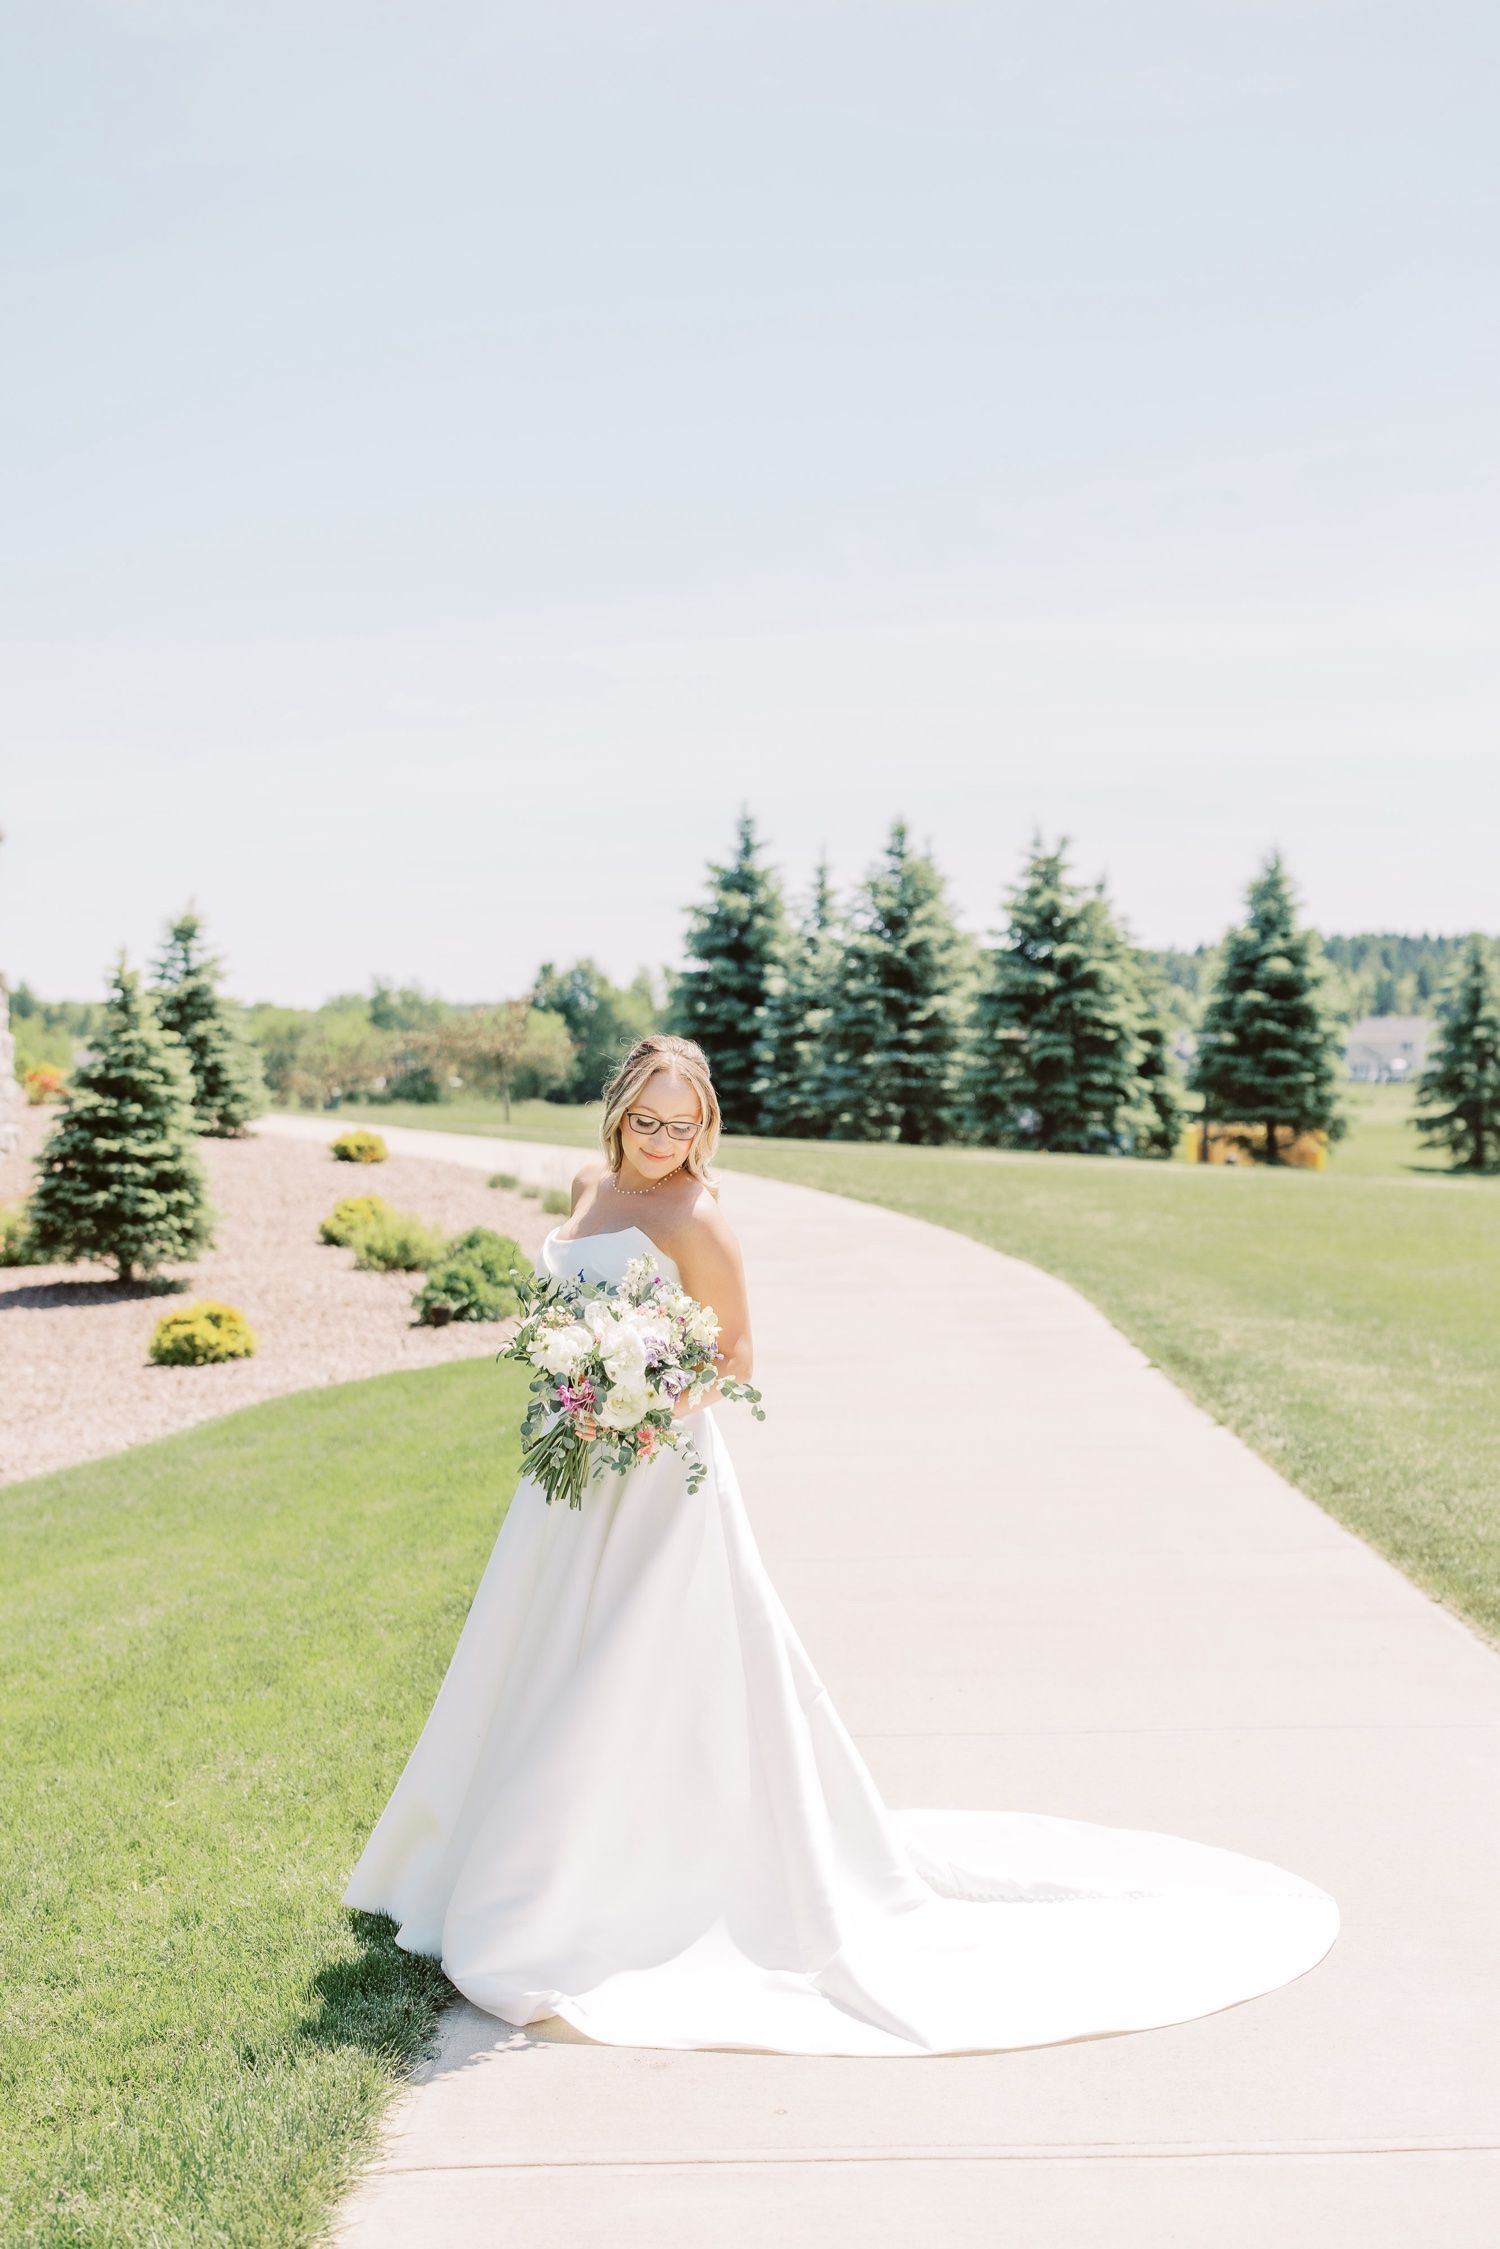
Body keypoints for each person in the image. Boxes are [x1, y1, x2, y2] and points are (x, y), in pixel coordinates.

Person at [341, 1033, 1339, 2056]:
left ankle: (579, 1885)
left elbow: (734, 1354)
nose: (663, 1140)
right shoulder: (588, 1185)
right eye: (649, 1120)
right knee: (533, 1648)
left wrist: (639, 1401)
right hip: (567, 1475)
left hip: (654, 1477)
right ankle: (478, 1851)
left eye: (684, 1124)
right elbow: (570, 1303)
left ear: (706, 1124)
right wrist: (576, 1382)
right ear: (618, 1110)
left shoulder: (700, 1215)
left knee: (627, 1668)